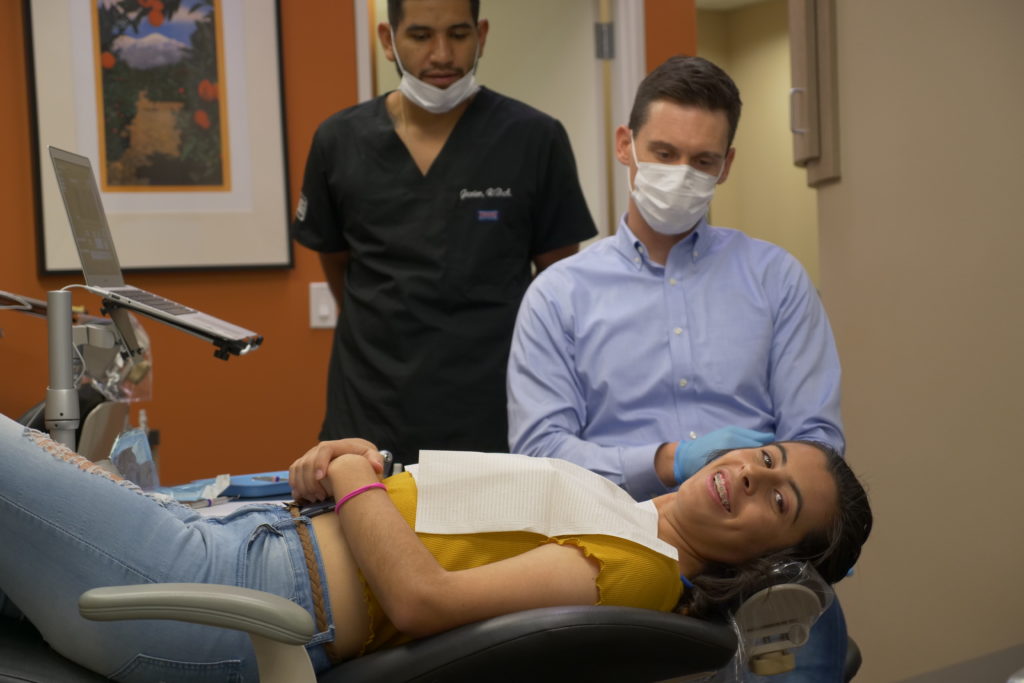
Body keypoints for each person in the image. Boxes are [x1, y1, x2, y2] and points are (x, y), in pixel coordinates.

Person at [0, 412, 871, 680]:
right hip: (246, 535)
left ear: (768, 562)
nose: (749, 475)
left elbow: (424, 600)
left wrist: (352, 472)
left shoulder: (641, 567)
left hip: (230, 589)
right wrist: (365, 466)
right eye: (764, 456)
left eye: (779, 497)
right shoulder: (628, 512)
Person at [506, 56, 847, 680]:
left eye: (702, 161)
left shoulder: (776, 280)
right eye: (663, 153)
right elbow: (539, 460)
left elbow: (818, 448)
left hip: (758, 564)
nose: (680, 175)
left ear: (727, 165)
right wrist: (666, 460)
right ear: (624, 145)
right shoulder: (558, 296)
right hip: (615, 554)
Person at [291, 0, 597, 466]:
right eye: (419, 36)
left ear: (482, 35)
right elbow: (336, 263)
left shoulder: (534, 138)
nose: (441, 54)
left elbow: (557, 283)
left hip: (495, 413)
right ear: (387, 40)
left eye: (458, 34)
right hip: (369, 413)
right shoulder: (338, 140)